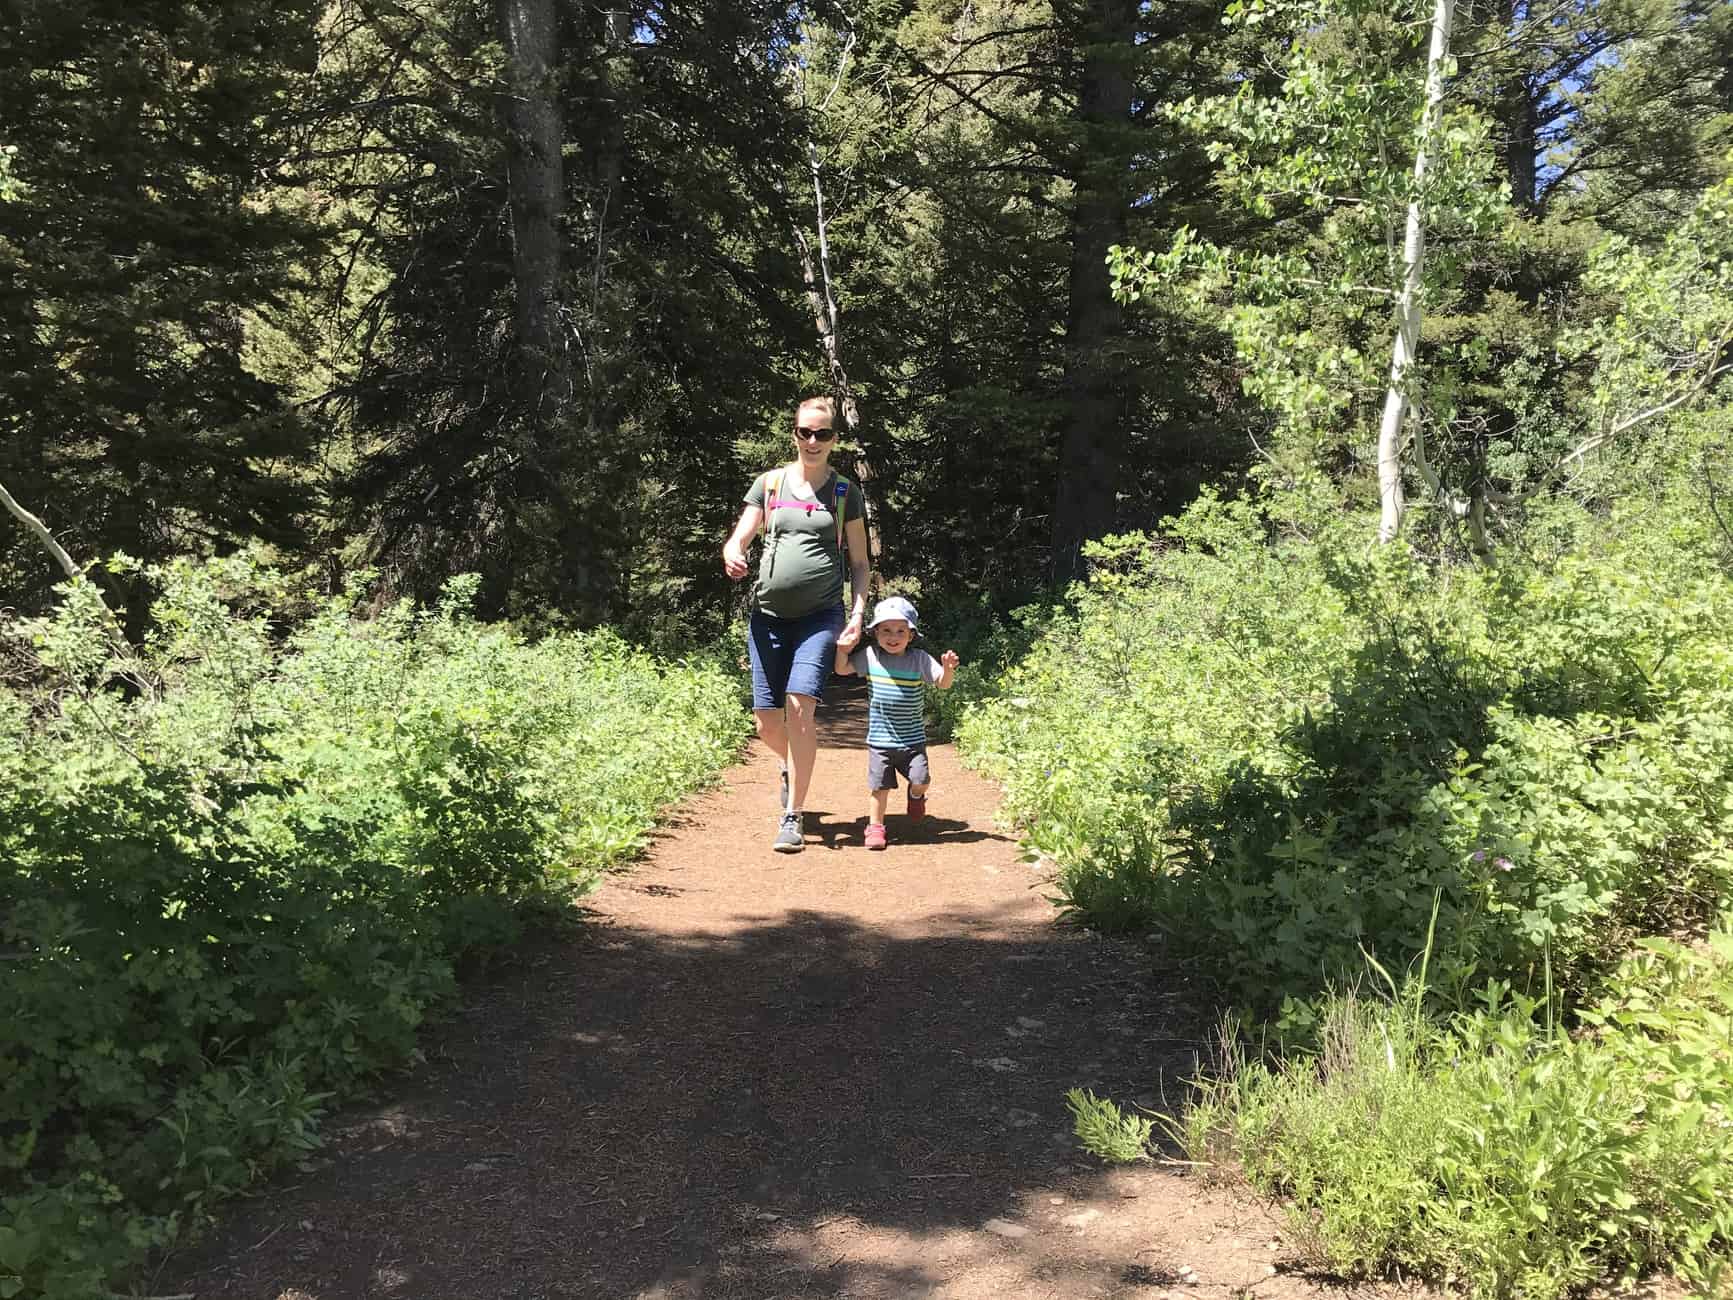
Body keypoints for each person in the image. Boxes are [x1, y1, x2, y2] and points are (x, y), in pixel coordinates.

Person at [722, 396, 870, 852]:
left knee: (800, 706)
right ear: (794, 434)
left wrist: (858, 612)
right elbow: (744, 531)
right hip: (767, 618)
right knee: (767, 722)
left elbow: (861, 563)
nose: (812, 441)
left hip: (820, 617)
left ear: (834, 440)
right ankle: (789, 764)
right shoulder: (769, 484)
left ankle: (793, 815)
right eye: (804, 432)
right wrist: (734, 549)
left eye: (821, 434)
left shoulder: (845, 493)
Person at [833, 595, 959, 850]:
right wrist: (842, 650)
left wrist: (948, 670)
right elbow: (842, 670)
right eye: (886, 630)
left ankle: (916, 795)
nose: (893, 636)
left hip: (912, 740)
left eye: (901, 631)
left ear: (911, 635)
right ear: (875, 632)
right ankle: (876, 827)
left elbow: (943, 684)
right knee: (879, 787)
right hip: (880, 741)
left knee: (921, 779)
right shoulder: (870, 656)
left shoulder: (920, 659)